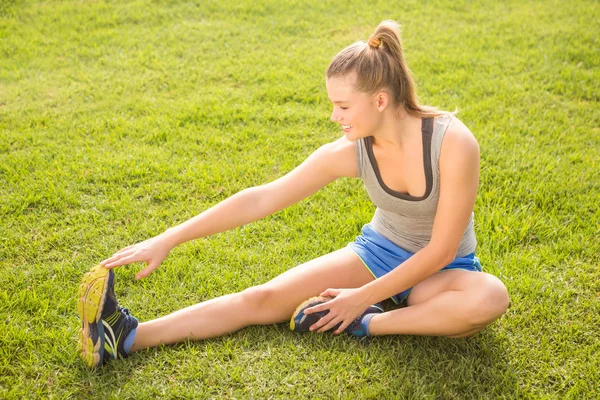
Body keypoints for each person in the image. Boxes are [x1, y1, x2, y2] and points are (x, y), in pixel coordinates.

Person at [77, 20, 510, 368]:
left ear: (380, 100)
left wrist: (359, 301)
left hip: (443, 270)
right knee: (260, 299)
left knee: (488, 298)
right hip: (378, 252)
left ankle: (369, 324)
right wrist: (169, 237)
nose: (334, 116)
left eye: (343, 106)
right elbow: (261, 198)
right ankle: (126, 336)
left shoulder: (452, 143)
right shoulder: (351, 151)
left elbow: (440, 249)